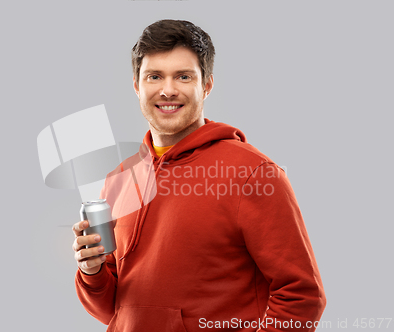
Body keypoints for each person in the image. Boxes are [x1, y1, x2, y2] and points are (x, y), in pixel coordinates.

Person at [72, 19, 326, 331]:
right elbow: (116, 311)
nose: (167, 90)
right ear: (137, 86)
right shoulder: (120, 179)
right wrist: (92, 271)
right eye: (154, 76)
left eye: (183, 76)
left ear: (206, 85)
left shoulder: (253, 174)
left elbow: (302, 297)